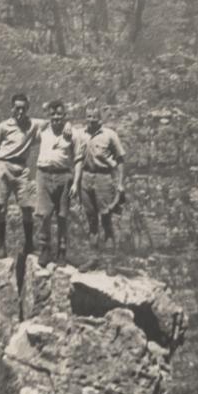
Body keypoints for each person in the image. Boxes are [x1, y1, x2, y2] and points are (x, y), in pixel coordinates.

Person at [0, 93, 70, 258]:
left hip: (21, 168)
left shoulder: (33, 124)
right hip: (2, 165)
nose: (20, 111)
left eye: (23, 108)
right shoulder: (3, 126)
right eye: (17, 108)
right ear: (12, 108)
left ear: (27, 109)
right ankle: (1, 245)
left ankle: (29, 245)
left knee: (27, 208)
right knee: (0, 208)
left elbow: (54, 120)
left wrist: (67, 123)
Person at [36, 100, 84, 268]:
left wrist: (75, 183)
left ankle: (62, 250)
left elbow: (78, 159)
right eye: (53, 114)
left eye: (59, 114)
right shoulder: (42, 130)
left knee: (62, 215)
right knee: (44, 215)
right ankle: (44, 248)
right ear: (49, 116)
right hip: (43, 175)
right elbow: (28, 123)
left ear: (64, 115)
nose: (56, 117)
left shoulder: (72, 134)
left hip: (63, 177)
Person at [79, 105, 126, 270]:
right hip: (85, 178)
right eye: (88, 116)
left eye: (94, 116)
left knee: (106, 219)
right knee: (91, 220)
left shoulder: (110, 135)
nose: (91, 120)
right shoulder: (81, 134)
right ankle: (93, 258)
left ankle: (110, 261)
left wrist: (120, 183)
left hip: (103, 178)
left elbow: (120, 160)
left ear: (100, 118)